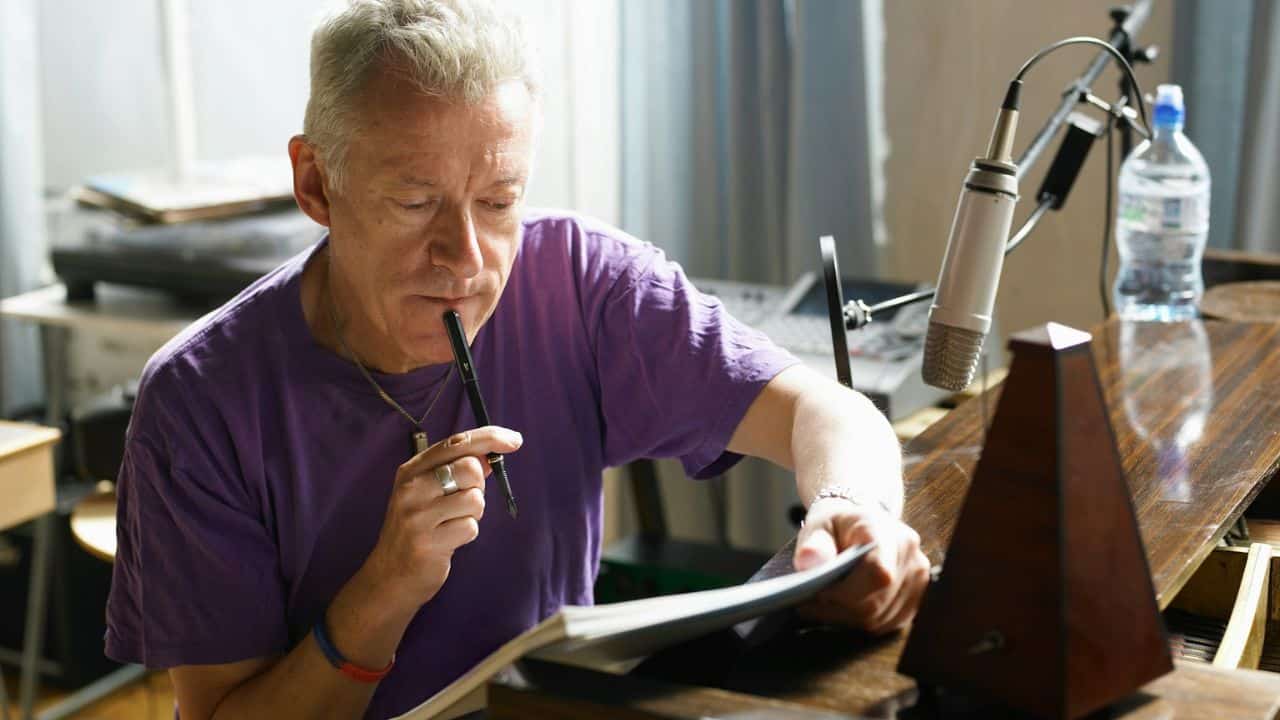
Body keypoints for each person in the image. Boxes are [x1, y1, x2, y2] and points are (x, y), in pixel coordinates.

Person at [104, 1, 930, 717]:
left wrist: (852, 509)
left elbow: (829, 412)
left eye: (498, 201)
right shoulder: (199, 399)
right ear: (317, 183)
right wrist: (385, 589)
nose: (464, 258)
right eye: (415, 201)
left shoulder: (579, 283)